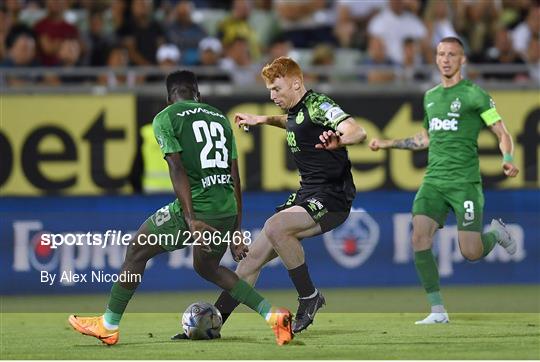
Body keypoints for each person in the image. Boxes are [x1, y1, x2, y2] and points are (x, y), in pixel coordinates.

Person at [68, 70, 293, 346]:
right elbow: (235, 175)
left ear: (169, 96)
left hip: (197, 209)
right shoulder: (219, 118)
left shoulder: (165, 117)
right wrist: (236, 228)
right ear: (197, 93)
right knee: (208, 268)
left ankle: (109, 324)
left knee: (137, 248)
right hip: (225, 209)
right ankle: (274, 316)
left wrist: (190, 218)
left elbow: (176, 166)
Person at [368, 37, 519, 324]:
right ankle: (437, 311)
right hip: (434, 181)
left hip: (464, 183)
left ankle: (496, 234)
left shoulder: (476, 95)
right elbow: (424, 138)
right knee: (418, 235)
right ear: (436, 59)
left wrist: (508, 159)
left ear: (462, 60)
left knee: (471, 251)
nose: (446, 59)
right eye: (441, 54)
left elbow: (502, 133)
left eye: (452, 54)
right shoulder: (431, 96)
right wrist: (388, 143)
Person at [212, 56, 367, 334]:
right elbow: (292, 121)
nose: (272, 95)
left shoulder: (320, 104)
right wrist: (262, 119)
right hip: (307, 195)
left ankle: (309, 297)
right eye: (270, 90)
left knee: (276, 226)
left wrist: (340, 140)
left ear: (296, 84)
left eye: (277, 89)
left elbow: (358, 131)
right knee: (251, 261)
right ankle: (214, 322)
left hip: (333, 197)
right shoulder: (299, 111)